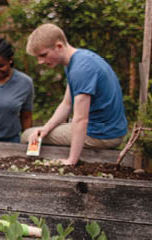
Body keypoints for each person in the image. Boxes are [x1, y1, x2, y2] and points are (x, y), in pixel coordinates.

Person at [21, 23, 128, 165]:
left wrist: (71, 160)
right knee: (38, 133)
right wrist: (46, 128)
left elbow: (81, 119)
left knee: (27, 135)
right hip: (108, 130)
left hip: (102, 134)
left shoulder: (81, 69)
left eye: (43, 55)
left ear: (59, 46)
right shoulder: (78, 60)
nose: (40, 61)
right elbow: (66, 104)